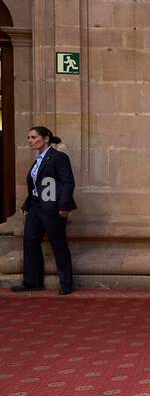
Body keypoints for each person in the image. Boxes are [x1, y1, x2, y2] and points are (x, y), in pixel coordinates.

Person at [13, 126, 76, 295]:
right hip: (35, 207)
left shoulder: (58, 157)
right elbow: (37, 186)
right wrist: (27, 205)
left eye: (34, 137)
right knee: (30, 243)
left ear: (46, 138)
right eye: (28, 138)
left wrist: (64, 205)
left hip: (52, 208)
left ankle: (66, 284)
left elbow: (68, 182)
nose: (30, 141)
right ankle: (32, 282)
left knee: (58, 244)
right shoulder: (38, 160)